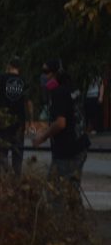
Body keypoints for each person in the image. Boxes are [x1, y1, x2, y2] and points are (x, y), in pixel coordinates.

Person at [32, 60, 88, 207]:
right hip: (78, 145)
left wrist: (42, 136)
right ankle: (77, 226)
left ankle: (60, 226)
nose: (43, 76)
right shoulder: (71, 88)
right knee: (71, 192)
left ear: (55, 74)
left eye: (46, 72)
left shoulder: (59, 93)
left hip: (68, 151)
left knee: (55, 191)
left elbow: (61, 123)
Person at [0, 56, 32, 192]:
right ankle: (15, 191)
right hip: (19, 125)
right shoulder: (24, 81)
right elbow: (29, 103)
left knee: (0, 157)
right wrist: (30, 121)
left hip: (3, 123)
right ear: (19, 68)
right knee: (17, 159)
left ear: (9, 65)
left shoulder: (1, 79)